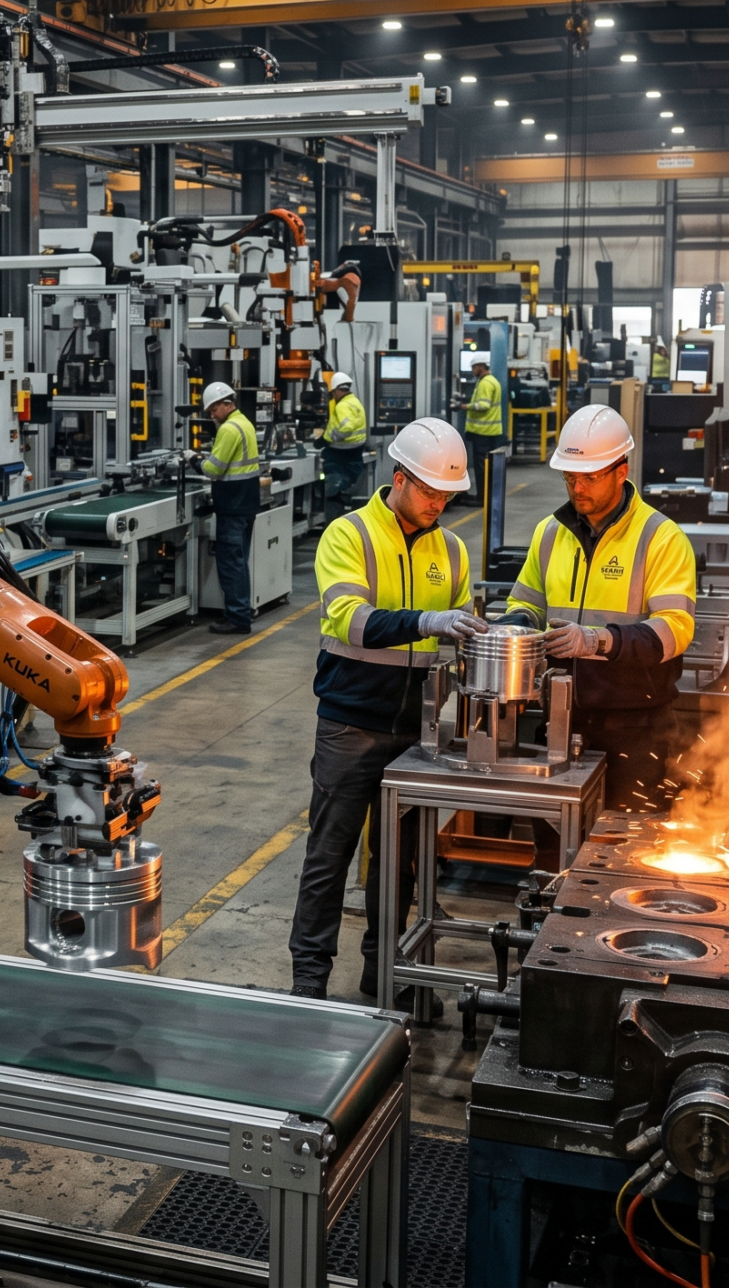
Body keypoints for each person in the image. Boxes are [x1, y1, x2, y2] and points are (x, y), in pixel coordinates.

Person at [289, 417, 486, 1000]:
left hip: (417, 730)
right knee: (329, 857)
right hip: (351, 723)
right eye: (429, 491)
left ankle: (386, 976)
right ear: (399, 478)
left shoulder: (450, 549)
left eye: (448, 495)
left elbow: (460, 630)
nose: (439, 504)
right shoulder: (348, 535)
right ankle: (309, 983)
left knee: (397, 866)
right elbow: (348, 618)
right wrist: (427, 622)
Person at [498, 404, 698, 810]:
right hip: (560, 719)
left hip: (636, 728)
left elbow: (676, 629)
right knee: (554, 846)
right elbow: (525, 601)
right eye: (570, 478)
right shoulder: (550, 532)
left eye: (588, 478)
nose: (577, 489)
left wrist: (597, 641)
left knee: (622, 852)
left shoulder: (661, 538)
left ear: (620, 472)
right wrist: (513, 627)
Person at [200, 381, 263, 635]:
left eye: (213, 410)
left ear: (224, 404)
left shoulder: (228, 429)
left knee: (231, 564)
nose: (212, 415)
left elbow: (214, 469)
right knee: (240, 562)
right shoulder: (245, 423)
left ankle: (237, 618)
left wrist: (194, 461)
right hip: (246, 504)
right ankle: (242, 611)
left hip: (232, 506)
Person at [319, 371, 369, 516]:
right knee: (341, 493)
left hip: (340, 457)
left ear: (337, 390)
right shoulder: (355, 402)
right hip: (354, 455)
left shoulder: (342, 406)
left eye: (333, 392)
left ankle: (332, 527)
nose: (333, 396)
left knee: (333, 495)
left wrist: (327, 439)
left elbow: (346, 428)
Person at [459, 359, 505, 507]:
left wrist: (466, 406)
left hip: (482, 432)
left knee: (481, 468)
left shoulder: (485, 383)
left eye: (474, 367)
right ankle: (485, 496)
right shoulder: (492, 381)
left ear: (481, 367)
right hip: (490, 431)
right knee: (486, 467)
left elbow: (484, 405)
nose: (472, 370)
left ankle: (481, 497)